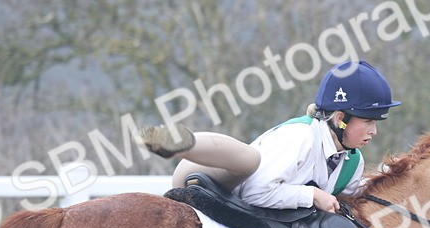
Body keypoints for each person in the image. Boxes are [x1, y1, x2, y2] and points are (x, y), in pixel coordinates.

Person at [140, 60, 401, 213]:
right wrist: (312, 195)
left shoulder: (352, 162)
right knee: (249, 161)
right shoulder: (300, 137)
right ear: (340, 118)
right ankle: (180, 143)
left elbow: (360, 195)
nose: (373, 131)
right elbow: (254, 193)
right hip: (208, 177)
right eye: (368, 121)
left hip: (243, 203)